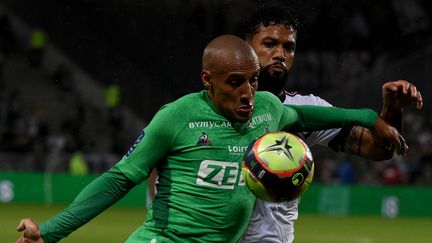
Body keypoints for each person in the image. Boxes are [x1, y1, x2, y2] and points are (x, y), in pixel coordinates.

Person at [15, 35, 407, 243]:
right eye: (235, 83)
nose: (247, 94)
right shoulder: (176, 117)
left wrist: (372, 118)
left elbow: (306, 114)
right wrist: (50, 233)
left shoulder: (267, 108)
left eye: (252, 81)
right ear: (208, 80)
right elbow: (118, 179)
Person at [239, 3, 423, 243]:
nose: (280, 54)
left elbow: (378, 149)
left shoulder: (311, 107)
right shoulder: (215, 110)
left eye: (289, 47)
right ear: (246, 47)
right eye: (269, 44)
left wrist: (392, 108)